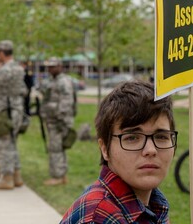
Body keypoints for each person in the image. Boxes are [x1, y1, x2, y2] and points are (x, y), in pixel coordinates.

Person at [60, 80, 176, 223]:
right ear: (104, 149)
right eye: (132, 138)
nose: (151, 150)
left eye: (161, 137)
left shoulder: (154, 203)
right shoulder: (99, 217)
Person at [0, 40, 27, 190]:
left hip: (3, 111)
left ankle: (7, 177)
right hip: (16, 109)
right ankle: (17, 176)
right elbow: (23, 89)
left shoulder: (3, 70)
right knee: (11, 143)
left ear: (0, 54)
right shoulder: (19, 69)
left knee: (4, 145)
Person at [38, 57, 75, 186]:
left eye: (53, 66)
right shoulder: (52, 81)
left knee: (55, 147)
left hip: (59, 121)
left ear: (60, 66)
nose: (50, 69)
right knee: (57, 147)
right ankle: (61, 174)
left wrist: (60, 117)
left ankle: (57, 176)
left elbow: (67, 101)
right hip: (52, 119)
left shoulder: (63, 81)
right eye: (49, 67)